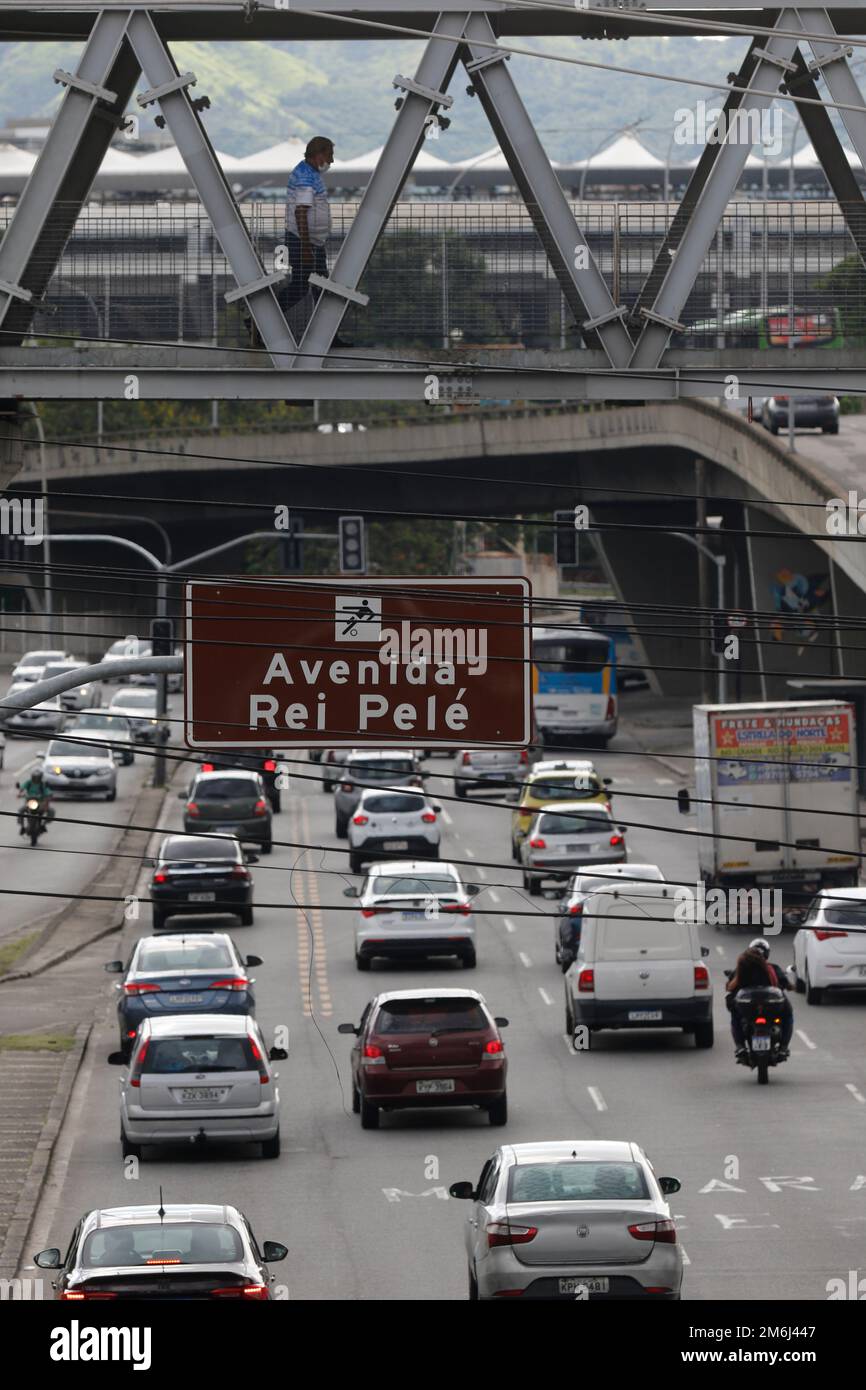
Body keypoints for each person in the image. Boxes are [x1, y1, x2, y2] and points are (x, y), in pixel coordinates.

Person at [725, 937, 793, 1056]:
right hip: (771, 1007)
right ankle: (783, 1047)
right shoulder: (773, 968)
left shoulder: (741, 967)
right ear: (766, 954)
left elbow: (730, 987)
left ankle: (740, 1046)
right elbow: (785, 984)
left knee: (735, 1017)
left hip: (747, 1007)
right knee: (788, 1016)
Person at [17, 766, 51, 835]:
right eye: (35, 777)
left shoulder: (42, 784)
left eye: (38, 777)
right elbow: (22, 788)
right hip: (29, 802)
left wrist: (46, 803)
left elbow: (48, 793)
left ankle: (43, 825)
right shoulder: (28, 783)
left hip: (40, 803)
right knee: (21, 810)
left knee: (51, 811)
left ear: (40, 777)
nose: (36, 779)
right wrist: (20, 793)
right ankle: (22, 826)